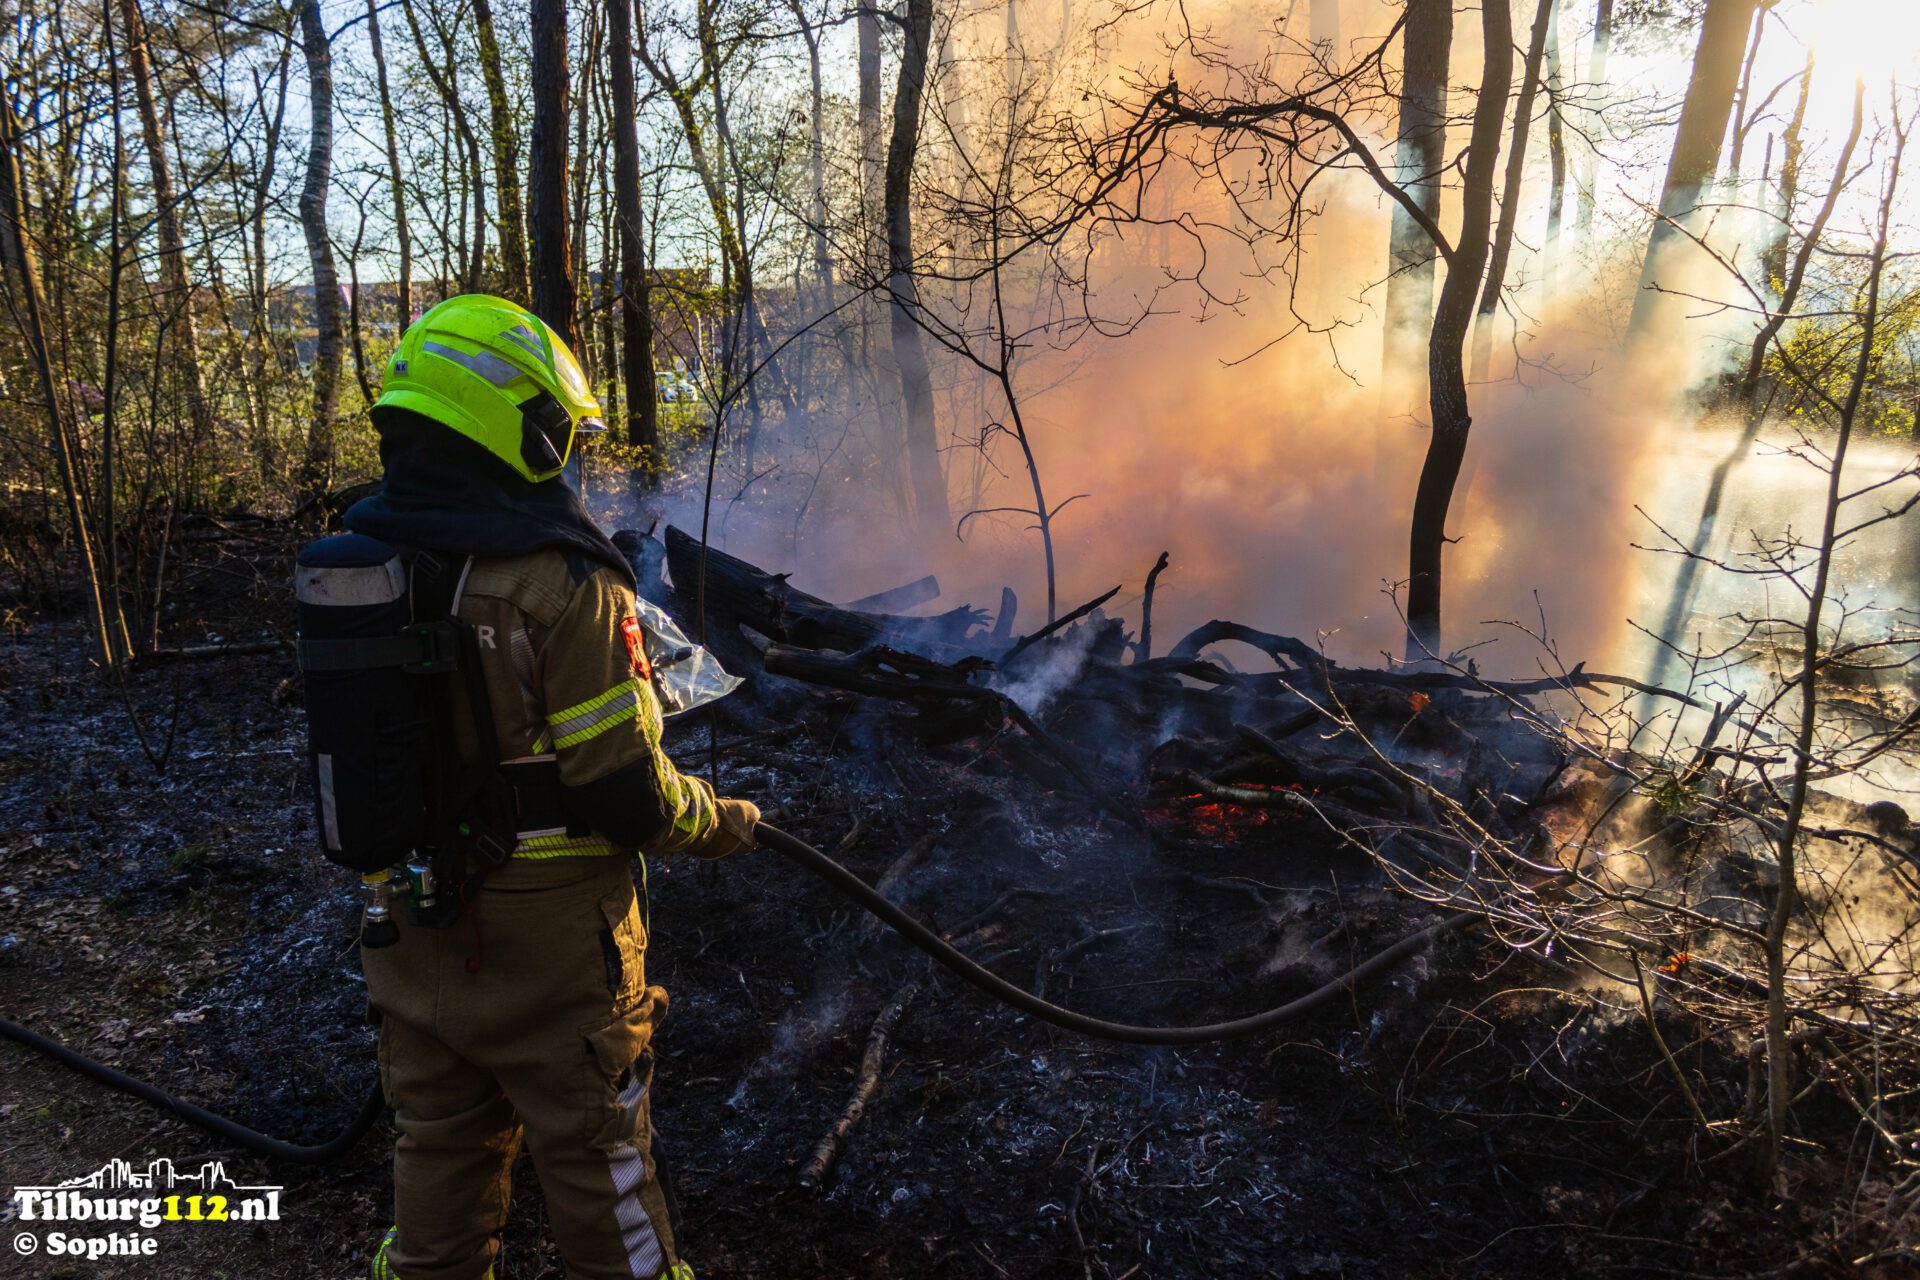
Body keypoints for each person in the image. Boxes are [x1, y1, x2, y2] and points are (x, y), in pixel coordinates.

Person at [343, 294, 758, 1280]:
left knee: (438, 1149)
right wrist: (727, 820)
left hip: (408, 927)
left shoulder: (359, 569)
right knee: (599, 1164)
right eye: (559, 436)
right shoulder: (565, 587)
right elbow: (625, 794)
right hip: (553, 951)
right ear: (517, 432)